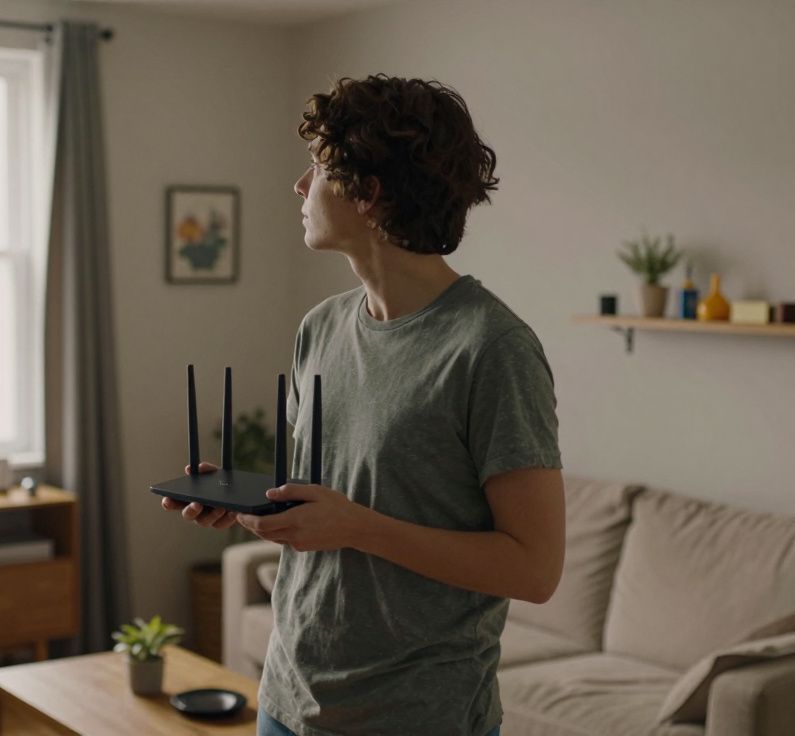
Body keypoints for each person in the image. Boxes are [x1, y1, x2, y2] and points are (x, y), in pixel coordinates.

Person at [161, 74, 566, 736]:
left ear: (369, 192)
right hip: (288, 699)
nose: (300, 186)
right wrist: (253, 507)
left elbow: (536, 569)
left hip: (418, 719)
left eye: (319, 168)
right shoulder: (320, 327)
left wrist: (358, 527)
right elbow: (326, 508)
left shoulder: (492, 348)